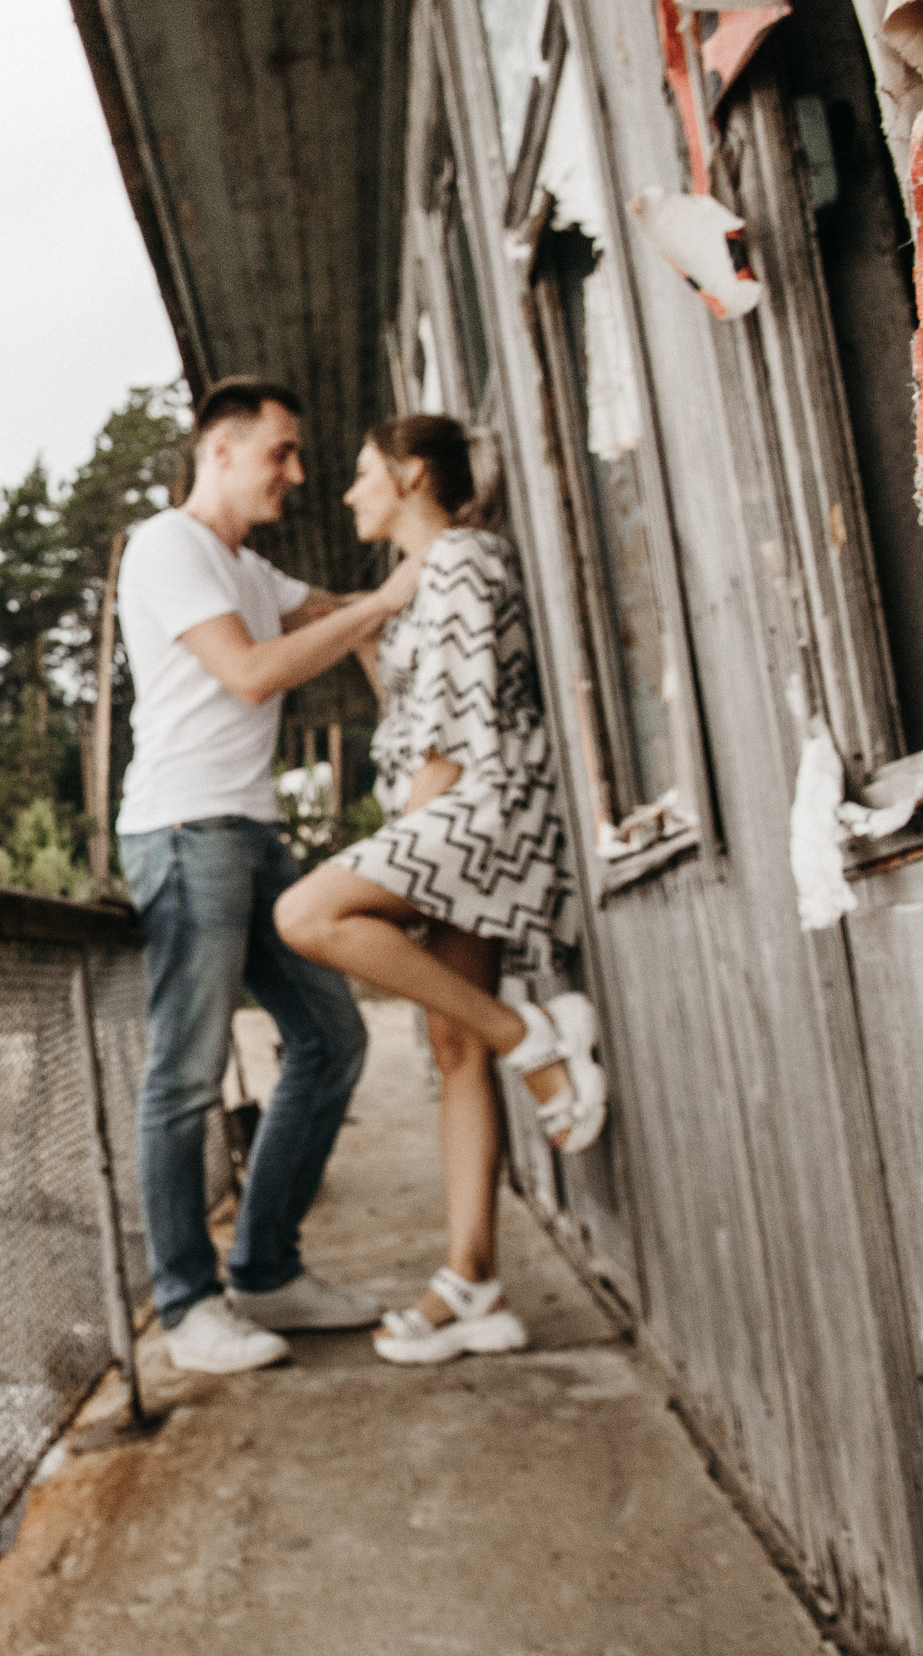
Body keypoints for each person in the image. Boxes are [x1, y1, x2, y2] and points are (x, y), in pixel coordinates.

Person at [273, 413, 608, 1368]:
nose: (346, 493)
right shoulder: (432, 579)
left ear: (412, 472)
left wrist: (404, 853)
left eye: (361, 471)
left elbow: (452, 737)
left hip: (481, 810)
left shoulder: (461, 558)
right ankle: (473, 1280)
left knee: (306, 912)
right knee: (452, 1039)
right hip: (466, 813)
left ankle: (537, 1041)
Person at [116, 376, 423, 1375]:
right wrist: (382, 597)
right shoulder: (168, 545)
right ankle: (185, 1305)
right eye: (279, 453)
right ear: (219, 452)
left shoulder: (252, 568)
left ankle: (266, 1273)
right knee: (185, 1072)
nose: (296, 472)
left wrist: (412, 577)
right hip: (180, 830)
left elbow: (340, 616)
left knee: (329, 1038)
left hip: (249, 831)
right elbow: (252, 672)